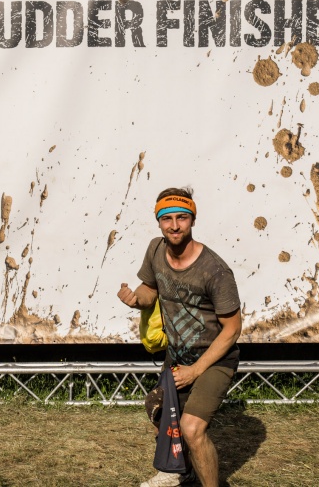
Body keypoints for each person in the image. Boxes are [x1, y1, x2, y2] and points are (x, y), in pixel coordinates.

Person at [118, 187, 242, 487]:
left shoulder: (215, 271)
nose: (174, 225)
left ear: (193, 220)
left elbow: (233, 329)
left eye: (182, 218)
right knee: (161, 413)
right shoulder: (155, 250)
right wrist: (136, 300)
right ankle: (179, 472)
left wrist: (195, 371)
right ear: (159, 221)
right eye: (167, 218)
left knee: (191, 428)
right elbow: (150, 289)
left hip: (214, 360)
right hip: (177, 357)